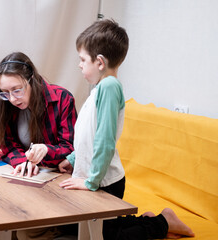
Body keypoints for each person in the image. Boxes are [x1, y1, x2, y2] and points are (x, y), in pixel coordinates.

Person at [58, 19, 194, 239]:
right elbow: (89, 135)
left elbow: (105, 139)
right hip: (92, 176)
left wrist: (91, 182)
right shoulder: (99, 89)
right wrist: (73, 159)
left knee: (106, 235)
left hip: (104, 181)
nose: (79, 64)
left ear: (99, 62)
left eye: (83, 59)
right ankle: (148, 220)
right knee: (73, 227)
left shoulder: (109, 87)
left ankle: (163, 223)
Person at [0, 51, 77, 177]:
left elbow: (70, 148)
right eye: (5, 92)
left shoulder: (63, 98)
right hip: (28, 175)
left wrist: (46, 150)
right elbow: (8, 144)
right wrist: (23, 162)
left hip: (57, 177)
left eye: (17, 90)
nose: (12, 99)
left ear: (31, 80)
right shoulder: (7, 104)